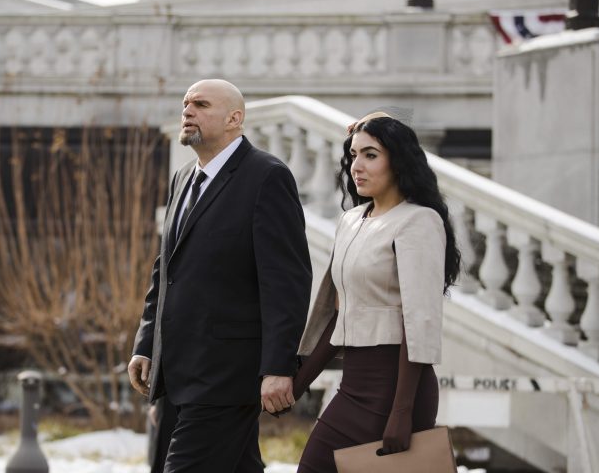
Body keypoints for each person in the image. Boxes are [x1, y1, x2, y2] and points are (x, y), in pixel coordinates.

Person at [128, 79, 312, 472]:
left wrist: (279, 366)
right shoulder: (183, 178)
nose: (188, 111)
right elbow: (166, 271)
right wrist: (147, 342)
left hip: (227, 375)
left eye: (201, 104)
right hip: (176, 371)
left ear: (234, 119)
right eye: (185, 104)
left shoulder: (267, 177)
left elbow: (287, 283)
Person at [292, 112, 461, 472]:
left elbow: (418, 321)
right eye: (353, 155)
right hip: (354, 385)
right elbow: (340, 312)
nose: (357, 166)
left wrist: (402, 413)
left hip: (397, 390)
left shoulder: (420, 221)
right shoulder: (352, 220)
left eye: (370, 154)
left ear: (398, 161)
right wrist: (299, 382)